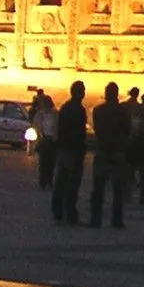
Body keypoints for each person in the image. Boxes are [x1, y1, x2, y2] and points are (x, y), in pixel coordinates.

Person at [88, 82, 131, 229]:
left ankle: (95, 219)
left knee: (98, 187)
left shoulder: (98, 111)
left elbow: (97, 129)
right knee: (118, 188)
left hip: (102, 150)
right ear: (117, 94)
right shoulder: (124, 112)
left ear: (106, 94)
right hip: (118, 151)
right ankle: (117, 220)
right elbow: (127, 130)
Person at [51, 81, 88, 225]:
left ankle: (58, 210)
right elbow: (79, 131)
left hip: (64, 148)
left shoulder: (66, 107)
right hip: (74, 149)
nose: (84, 93)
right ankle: (70, 212)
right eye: (83, 90)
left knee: (61, 180)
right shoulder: (78, 109)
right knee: (72, 182)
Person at [29, 88, 57, 191]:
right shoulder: (41, 114)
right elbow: (36, 126)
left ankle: (47, 180)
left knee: (50, 163)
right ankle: (44, 181)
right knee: (44, 163)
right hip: (45, 141)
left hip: (52, 142)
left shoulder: (54, 114)